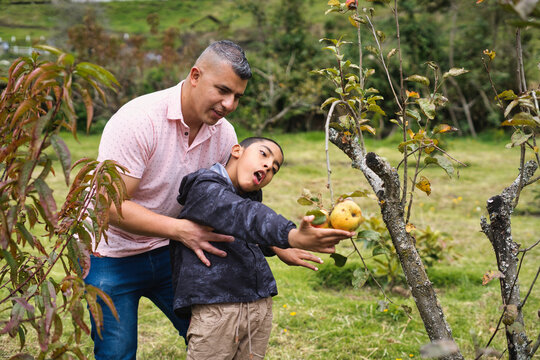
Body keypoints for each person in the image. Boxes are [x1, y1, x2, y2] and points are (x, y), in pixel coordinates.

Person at [84, 40, 354, 360]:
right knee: (116, 352)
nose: (228, 104)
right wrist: (181, 230)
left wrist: (279, 244)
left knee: (214, 337)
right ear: (195, 76)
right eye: (222, 90)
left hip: (174, 253)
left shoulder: (224, 134)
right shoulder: (138, 120)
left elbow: (233, 209)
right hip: (111, 253)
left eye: (237, 96)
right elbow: (108, 206)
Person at [171, 137, 352, 360]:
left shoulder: (246, 197)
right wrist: (290, 236)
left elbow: (247, 226)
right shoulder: (205, 188)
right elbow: (241, 215)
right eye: (264, 154)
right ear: (237, 150)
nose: (268, 166)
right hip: (217, 309)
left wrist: (276, 246)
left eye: (275, 168)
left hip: (258, 306)